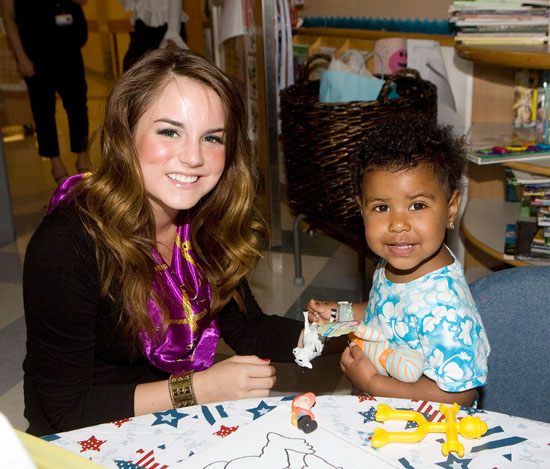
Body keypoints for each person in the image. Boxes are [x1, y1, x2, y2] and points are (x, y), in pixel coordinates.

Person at [22, 48, 306, 436]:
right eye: (169, 131)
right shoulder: (66, 246)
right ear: (126, 133)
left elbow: (249, 330)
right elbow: (66, 411)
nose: (193, 157)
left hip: (171, 417)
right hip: (86, 433)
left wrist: (347, 333)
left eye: (212, 138)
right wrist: (196, 389)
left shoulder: (203, 221)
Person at [308, 115, 490, 407]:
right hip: (385, 417)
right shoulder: (397, 261)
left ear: (451, 208)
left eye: (417, 205)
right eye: (381, 207)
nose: (397, 225)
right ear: (362, 210)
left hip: (430, 435)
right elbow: (385, 313)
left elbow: (460, 396)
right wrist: (338, 315)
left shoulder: (446, 310)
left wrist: (372, 383)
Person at [0, 0, 90, 185]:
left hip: (68, 48)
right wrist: (21, 57)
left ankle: (83, 157)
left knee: (78, 105)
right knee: (43, 112)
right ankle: (55, 163)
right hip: (35, 54)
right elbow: (8, 18)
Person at [119, 0, 189, 72]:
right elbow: (127, 6)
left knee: (171, 68)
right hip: (143, 26)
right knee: (133, 67)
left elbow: (175, 4)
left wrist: (173, 33)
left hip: (166, 26)